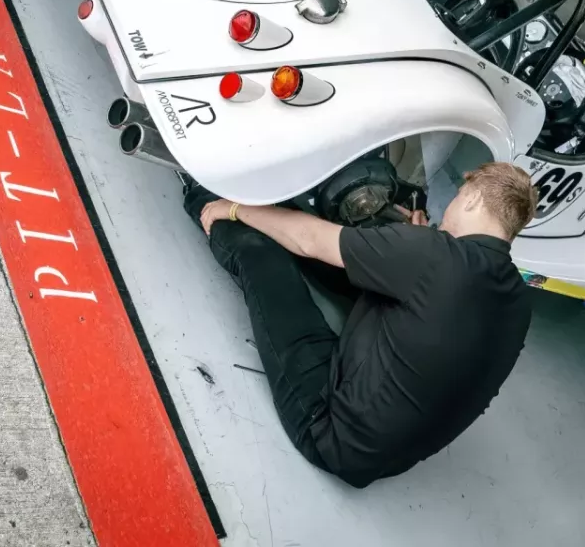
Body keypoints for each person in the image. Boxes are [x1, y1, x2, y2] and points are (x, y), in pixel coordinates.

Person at [184, 162, 538, 488]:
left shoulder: (436, 255)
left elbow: (310, 240)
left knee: (263, 254)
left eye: (459, 198)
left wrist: (234, 208)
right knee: (359, 262)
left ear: (473, 200)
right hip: (389, 459)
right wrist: (414, 244)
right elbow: (448, 309)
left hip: (330, 432)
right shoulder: (519, 303)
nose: (450, 207)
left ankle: (200, 191)